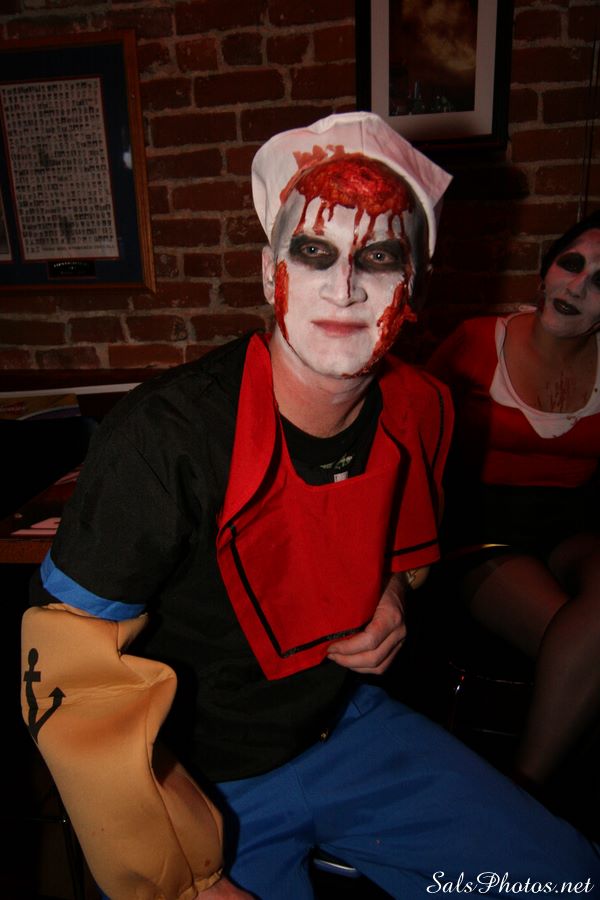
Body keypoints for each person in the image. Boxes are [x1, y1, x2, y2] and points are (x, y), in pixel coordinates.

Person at [21, 114, 600, 900]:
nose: (345, 286)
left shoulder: (424, 406)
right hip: (193, 772)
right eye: (314, 252)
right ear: (270, 274)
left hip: (347, 731)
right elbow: (69, 667)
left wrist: (394, 591)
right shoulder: (164, 437)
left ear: (416, 284)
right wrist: (176, 876)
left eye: (380, 257)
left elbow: (409, 549)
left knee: (564, 880)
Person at [427, 211, 600, 797]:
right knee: (585, 651)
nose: (578, 285)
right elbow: (410, 432)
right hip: (484, 529)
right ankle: (528, 792)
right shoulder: (479, 341)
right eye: (571, 264)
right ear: (546, 272)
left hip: (574, 526)